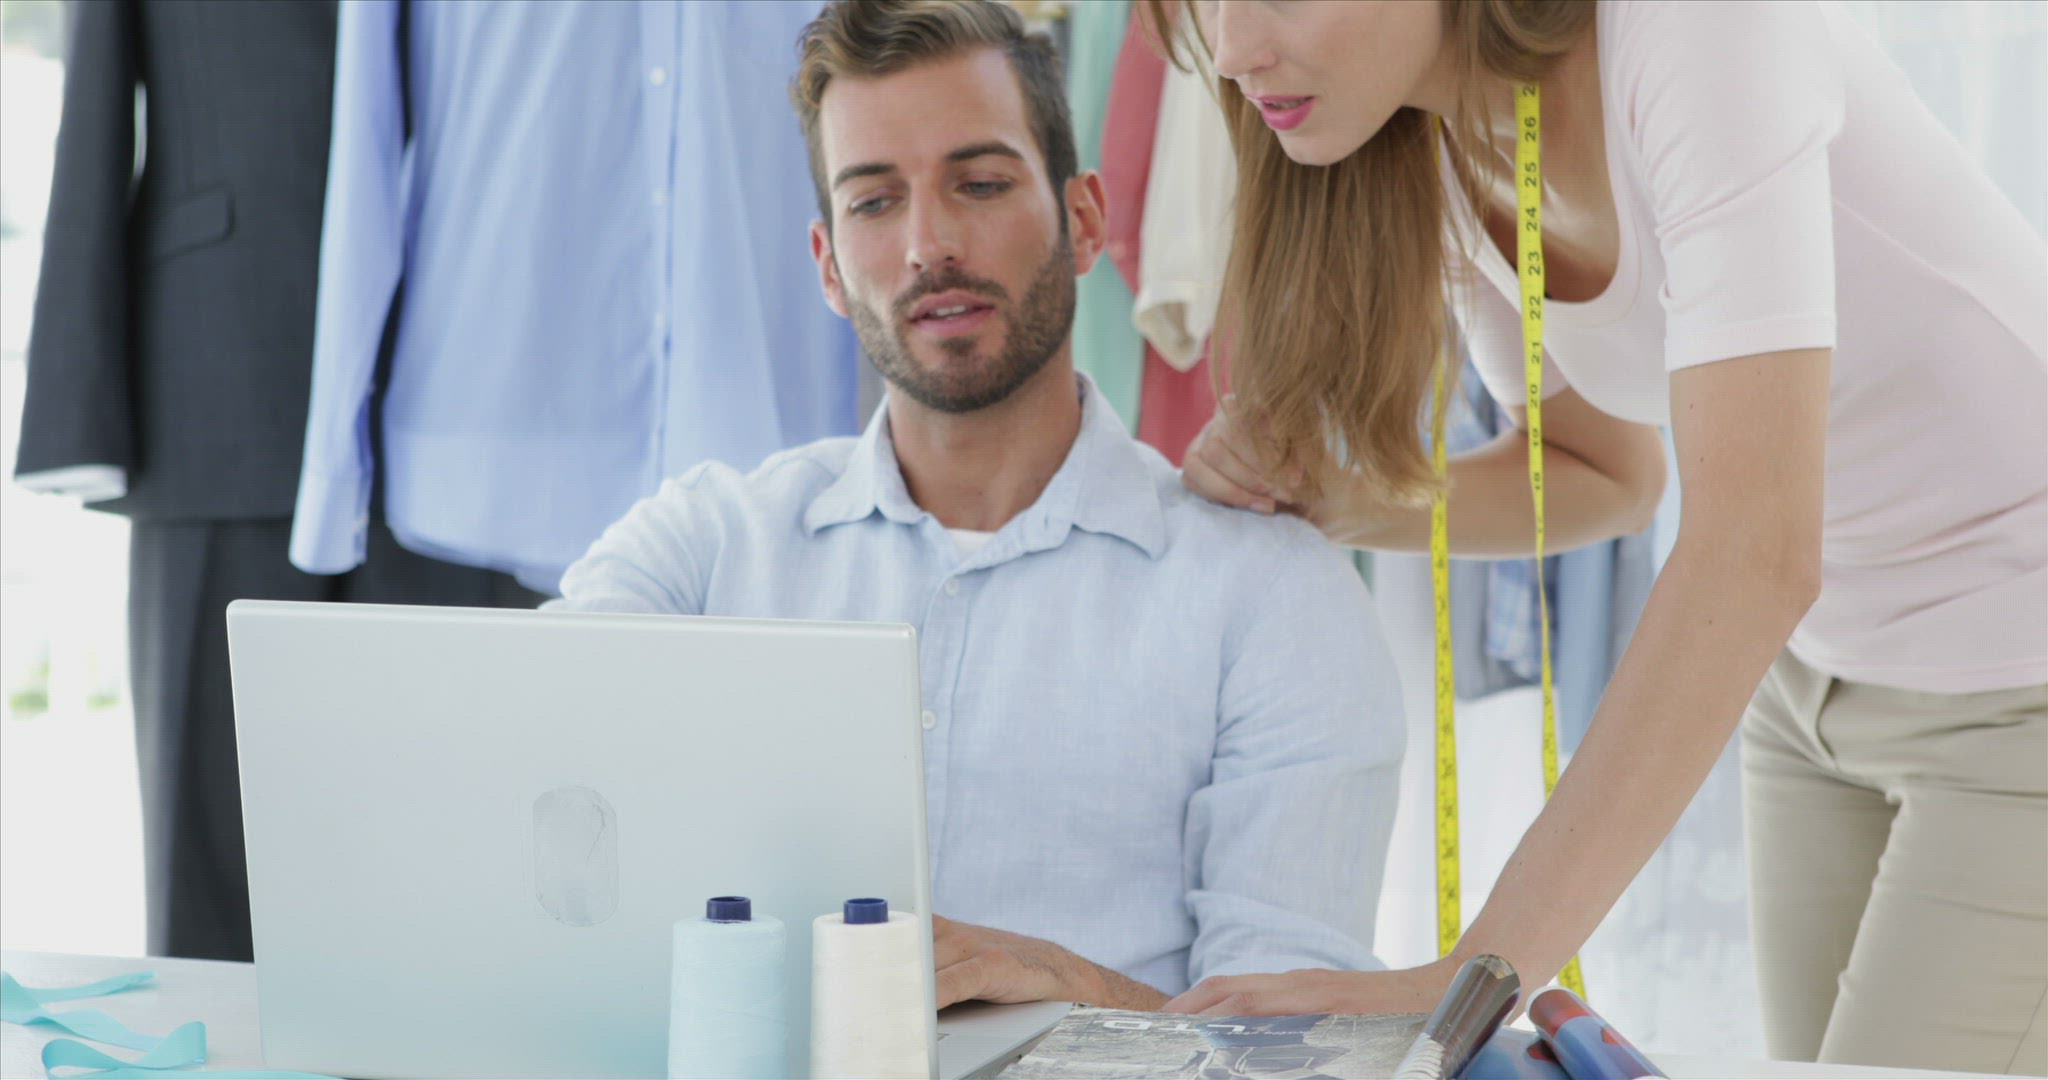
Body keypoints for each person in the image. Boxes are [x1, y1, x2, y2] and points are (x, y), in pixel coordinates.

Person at [1153, 1, 2047, 1073]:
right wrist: (1339, 502)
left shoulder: (1698, 32)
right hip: (1810, 677)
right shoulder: (1437, 138)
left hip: (2019, 668)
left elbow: (1753, 553)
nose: (1232, 50)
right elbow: (1605, 474)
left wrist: (1470, 973)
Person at [548, 0, 1406, 1011]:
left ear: (1084, 221)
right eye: (875, 202)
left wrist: (1068, 988)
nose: (929, 243)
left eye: (981, 183)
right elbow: (528, 820)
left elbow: (1293, 1045)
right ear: (828, 267)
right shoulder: (699, 550)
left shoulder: (1272, 596)